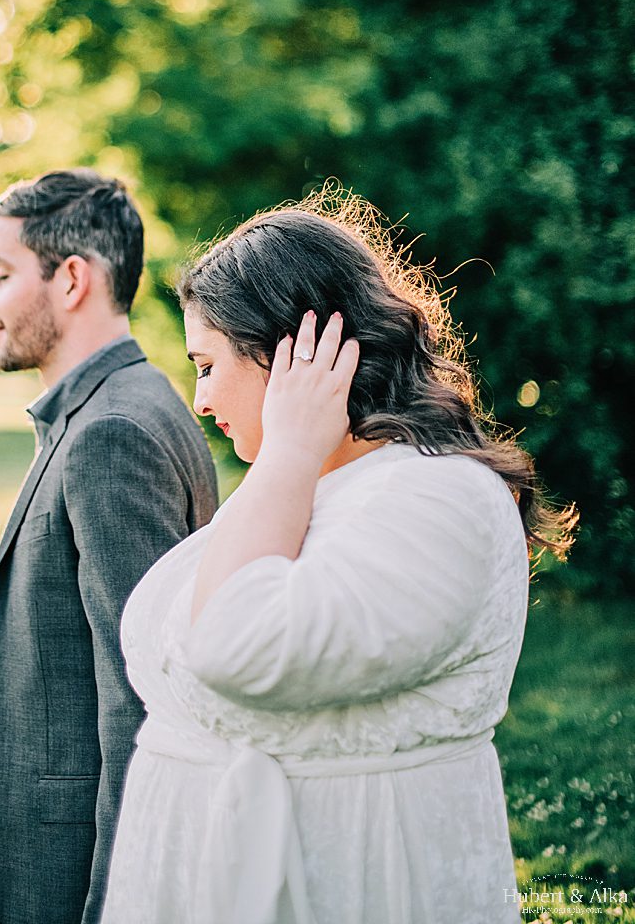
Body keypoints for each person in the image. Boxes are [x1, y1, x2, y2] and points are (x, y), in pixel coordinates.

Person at [100, 196, 577, 924]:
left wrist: (290, 447)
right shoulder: (308, 487)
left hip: (353, 885)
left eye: (205, 364)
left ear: (293, 351)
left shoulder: (438, 496)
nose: (198, 400)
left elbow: (237, 646)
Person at [0, 169, 218, 924]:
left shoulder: (112, 433)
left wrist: (120, 900)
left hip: (83, 870)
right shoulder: (121, 404)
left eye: (1, 273)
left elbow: (141, 700)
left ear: (72, 278)